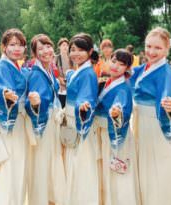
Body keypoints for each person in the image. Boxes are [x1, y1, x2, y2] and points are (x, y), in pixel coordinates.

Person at [129, 27, 171, 205]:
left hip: (152, 124)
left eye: (158, 48)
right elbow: (129, 76)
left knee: (154, 165)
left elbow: (170, 99)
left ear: (167, 49)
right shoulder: (146, 67)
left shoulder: (164, 71)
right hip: (140, 121)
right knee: (144, 163)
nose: (151, 52)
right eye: (148, 46)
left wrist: (169, 106)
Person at [95, 49, 140, 205]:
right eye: (114, 61)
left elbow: (120, 107)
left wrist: (116, 113)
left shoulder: (123, 88)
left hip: (113, 133)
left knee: (116, 171)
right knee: (108, 170)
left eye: (122, 64)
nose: (116, 66)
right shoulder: (107, 82)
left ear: (127, 68)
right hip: (103, 131)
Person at [25, 34, 66, 205]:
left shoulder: (48, 70)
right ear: (34, 53)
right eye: (40, 49)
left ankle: (50, 198)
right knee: (42, 163)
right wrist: (35, 104)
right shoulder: (36, 73)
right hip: (44, 123)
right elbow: (31, 102)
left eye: (48, 46)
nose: (45, 51)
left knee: (50, 161)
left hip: (51, 121)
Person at [0, 28, 30, 205]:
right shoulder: (2, 67)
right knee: (9, 165)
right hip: (8, 119)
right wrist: (5, 93)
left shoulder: (17, 67)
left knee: (17, 164)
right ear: (4, 47)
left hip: (18, 119)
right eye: (12, 44)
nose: (17, 49)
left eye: (20, 45)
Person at [62, 33, 100, 205]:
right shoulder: (79, 71)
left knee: (81, 162)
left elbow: (87, 98)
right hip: (71, 118)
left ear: (90, 51)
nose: (76, 54)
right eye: (73, 50)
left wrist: (84, 105)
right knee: (75, 161)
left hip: (78, 120)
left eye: (81, 50)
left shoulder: (88, 74)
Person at [55, 38, 71, 108]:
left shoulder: (71, 58)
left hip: (69, 85)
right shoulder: (56, 58)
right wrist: (59, 79)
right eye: (63, 45)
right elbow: (53, 71)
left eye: (67, 45)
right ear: (59, 47)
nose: (65, 47)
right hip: (60, 87)